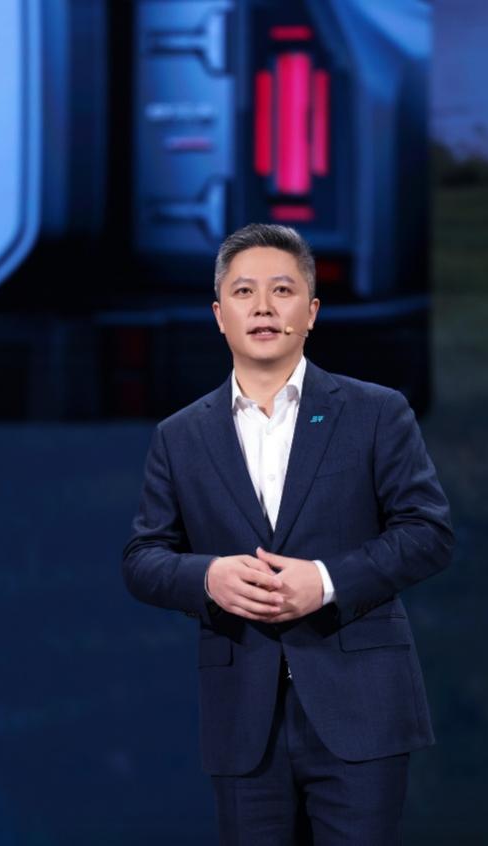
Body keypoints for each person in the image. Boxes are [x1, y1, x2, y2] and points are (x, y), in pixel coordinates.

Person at [121, 223, 454, 844]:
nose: (264, 307)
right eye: (244, 292)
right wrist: (209, 577)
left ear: (312, 312)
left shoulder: (376, 412)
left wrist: (325, 582)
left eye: (282, 290)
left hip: (362, 710)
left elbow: (428, 531)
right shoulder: (181, 435)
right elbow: (143, 557)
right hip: (243, 719)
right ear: (219, 315)